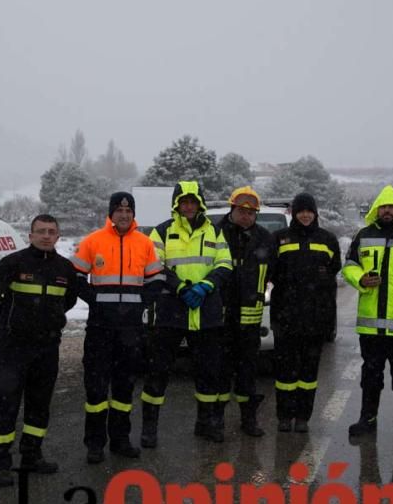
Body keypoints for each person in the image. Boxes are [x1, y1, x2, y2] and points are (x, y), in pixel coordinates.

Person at [0, 214, 79, 488]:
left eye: (51, 232)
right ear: (31, 235)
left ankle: (31, 456)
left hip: (47, 347)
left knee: (39, 405)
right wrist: (13, 318)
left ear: (58, 236)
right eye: (41, 231)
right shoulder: (13, 263)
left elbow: (69, 300)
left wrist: (50, 319)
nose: (46, 236)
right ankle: (0, 464)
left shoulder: (64, 268)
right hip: (15, 346)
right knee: (7, 404)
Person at [71, 192, 163, 464]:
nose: (124, 214)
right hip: (100, 327)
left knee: (124, 388)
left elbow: (156, 280)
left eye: (128, 210)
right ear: (111, 213)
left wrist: (142, 303)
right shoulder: (93, 241)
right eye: (119, 210)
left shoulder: (145, 243)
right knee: (96, 389)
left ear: (133, 214)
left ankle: (121, 440)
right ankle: (95, 443)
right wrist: (95, 301)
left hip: (131, 329)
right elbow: (76, 277)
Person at [141, 181, 232, 447]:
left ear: (200, 203)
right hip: (171, 311)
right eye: (184, 201)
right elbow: (153, 265)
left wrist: (206, 285)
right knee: (158, 371)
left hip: (206, 312)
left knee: (208, 372)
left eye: (193, 201)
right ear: (176, 204)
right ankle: (149, 428)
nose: (189, 206)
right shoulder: (161, 231)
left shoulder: (214, 231)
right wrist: (179, 287)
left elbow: (225, 263)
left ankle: (205, 424)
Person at [342, 185, 393, 442]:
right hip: (371, 324)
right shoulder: (363, 234)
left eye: (391, 207)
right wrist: (361, 279)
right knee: (371, 375)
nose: (387, 211)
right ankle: (367, 419)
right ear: (377, 209)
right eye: (383, 207)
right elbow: (350, 266)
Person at [269, 192, 341, 433]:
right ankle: (283, 416)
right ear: (294, 213)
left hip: (315, 318)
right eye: (301, 211)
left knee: (309, 372)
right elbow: (270, 272)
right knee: (285, 372)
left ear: (315, 212)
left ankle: (302, 417)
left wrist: (327, 317)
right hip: (285, 316)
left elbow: (333, 272)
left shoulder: (328, 239)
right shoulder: (279, 238)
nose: (305, 215)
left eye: (309, 211)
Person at [214, 186, 273, 437]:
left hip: (250, 319)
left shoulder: (264, 237)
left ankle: (248, 420)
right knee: (219, 372)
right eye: (242, 211)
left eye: (252, 212)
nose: (247, 216)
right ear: (232, 209)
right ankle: (214, 421)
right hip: (220, 316)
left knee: (247, 372)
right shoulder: (216, 233)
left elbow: (275, 272)